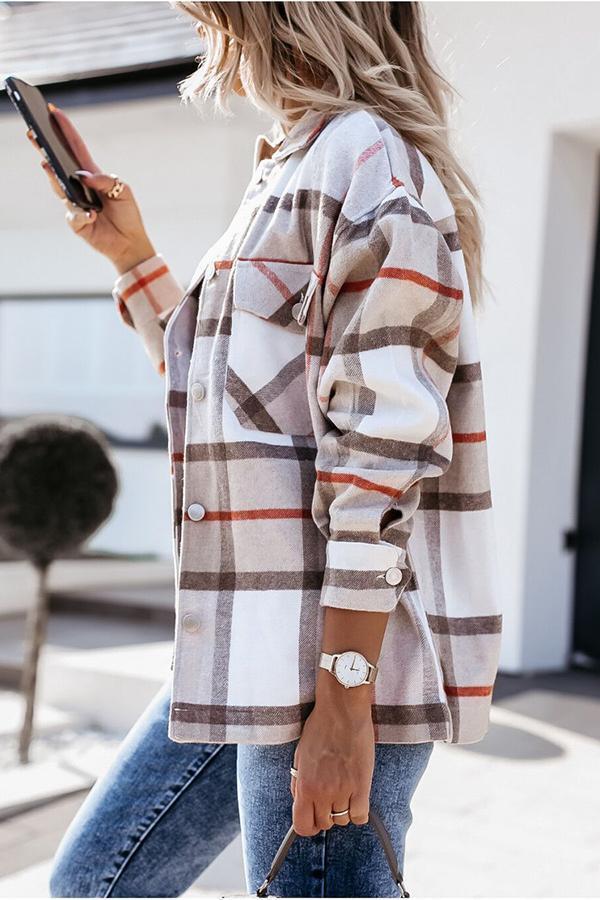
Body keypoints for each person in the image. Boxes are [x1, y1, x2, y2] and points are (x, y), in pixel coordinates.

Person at [28, 2, 502, 897]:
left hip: (329, 665)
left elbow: (382, 451)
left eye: (212, 17)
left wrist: (344, 707)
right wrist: (134, 260)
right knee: (92, 883)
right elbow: (237, 398)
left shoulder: (368, 162)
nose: (204, 37)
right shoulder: (293, 162)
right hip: (253, 644)